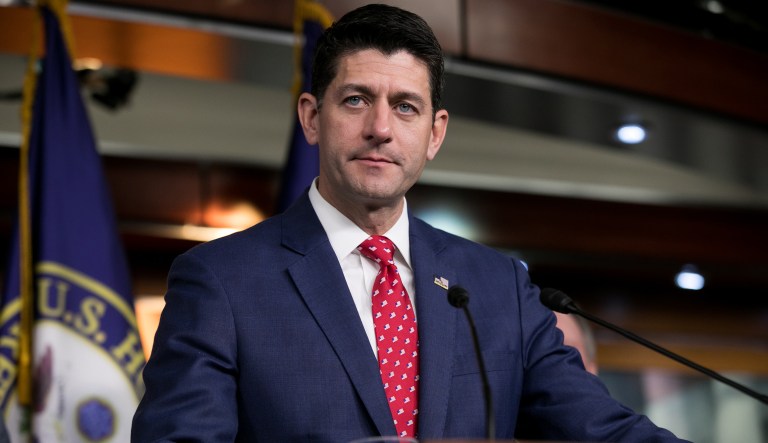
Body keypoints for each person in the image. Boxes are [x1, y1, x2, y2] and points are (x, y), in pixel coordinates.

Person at [132, 4, 690, 442]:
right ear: (311, 118)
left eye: (405, 106)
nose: (380, 127)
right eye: (355, 100)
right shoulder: (221, 281)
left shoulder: (498, 288)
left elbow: (602, 429)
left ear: (435, 134)